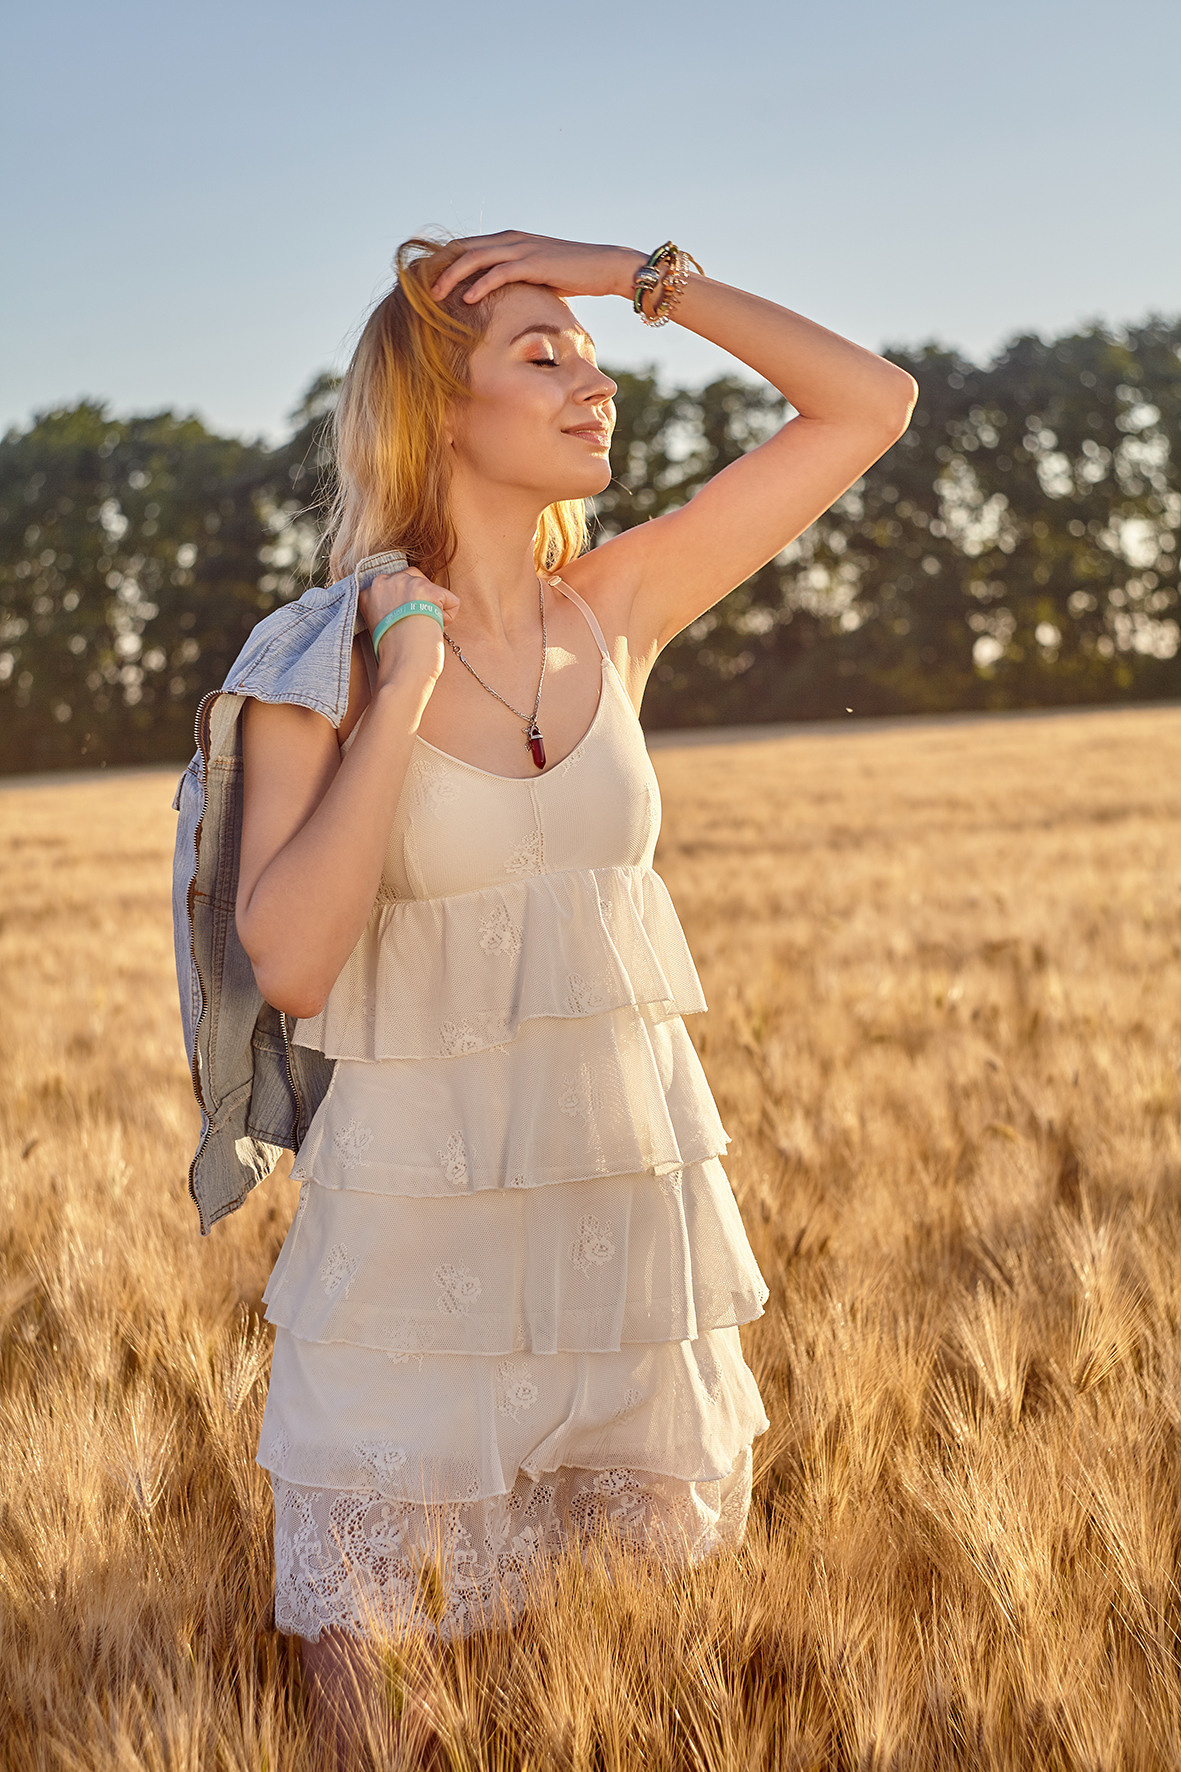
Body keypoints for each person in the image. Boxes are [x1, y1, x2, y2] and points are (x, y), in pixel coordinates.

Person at [231, 228, 918, 1743]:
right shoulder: (319, 657)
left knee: (634, 1703)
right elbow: (286, 955)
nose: (593, 384)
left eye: (595, 357)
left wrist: (625, 273)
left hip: (623, 1243)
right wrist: (402, 690)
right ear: (435, 413)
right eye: (540, 357)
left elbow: (867, 403)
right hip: (414, 1276)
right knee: (378, 1706)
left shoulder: (614, 611)